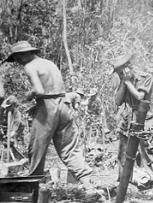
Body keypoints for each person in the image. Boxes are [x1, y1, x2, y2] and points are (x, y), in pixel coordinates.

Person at [4, 41, 98, 194]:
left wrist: (23, 97)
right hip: (64, 104)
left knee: (36, 147)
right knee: (69, 148)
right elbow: (54, 89)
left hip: (48, 108)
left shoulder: (30, 66)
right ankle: (89, 186)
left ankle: (33, 189)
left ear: (26, 53)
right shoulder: (49, 63)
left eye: (18, 57)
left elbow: (39, 90)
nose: (19, 62)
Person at [111, 54, 153, 181]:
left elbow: (140, 96)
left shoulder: (146, 77)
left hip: (143, 119)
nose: (119, 75)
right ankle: (124, 181)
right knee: (123, 153)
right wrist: (124, 83)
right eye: (118, 73)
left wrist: (128, 82)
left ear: (129, 67)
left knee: (145, 152)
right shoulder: (124, 80)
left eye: (121, 72)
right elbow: (118, 101)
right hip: (127, 118)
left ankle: (150, 179)